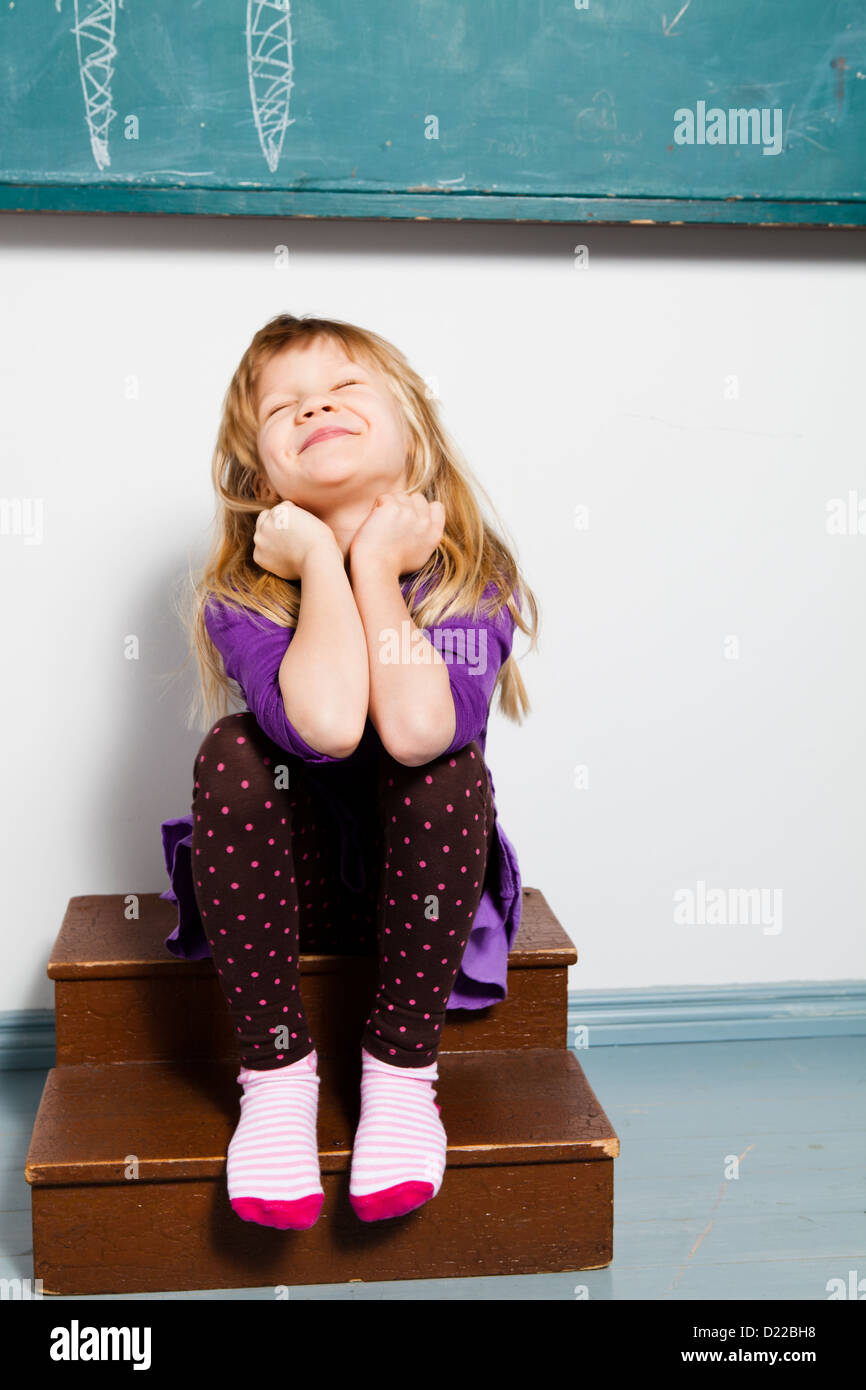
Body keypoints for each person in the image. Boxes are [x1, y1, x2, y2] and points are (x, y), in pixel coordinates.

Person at [159, 313, 539, 1232]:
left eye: (343, 388)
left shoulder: (469, 579)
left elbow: (415, 735)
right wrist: (324, 564)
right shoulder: (242, 594)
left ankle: (403, 1078)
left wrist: (375, 565)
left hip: (426, 893)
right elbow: (325, 727)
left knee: (446, 770)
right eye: (284, 405)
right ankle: (278, 1082)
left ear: (416, 441)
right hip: (292, 892)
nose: (315, 404)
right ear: (260, 478)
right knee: (234, 755)